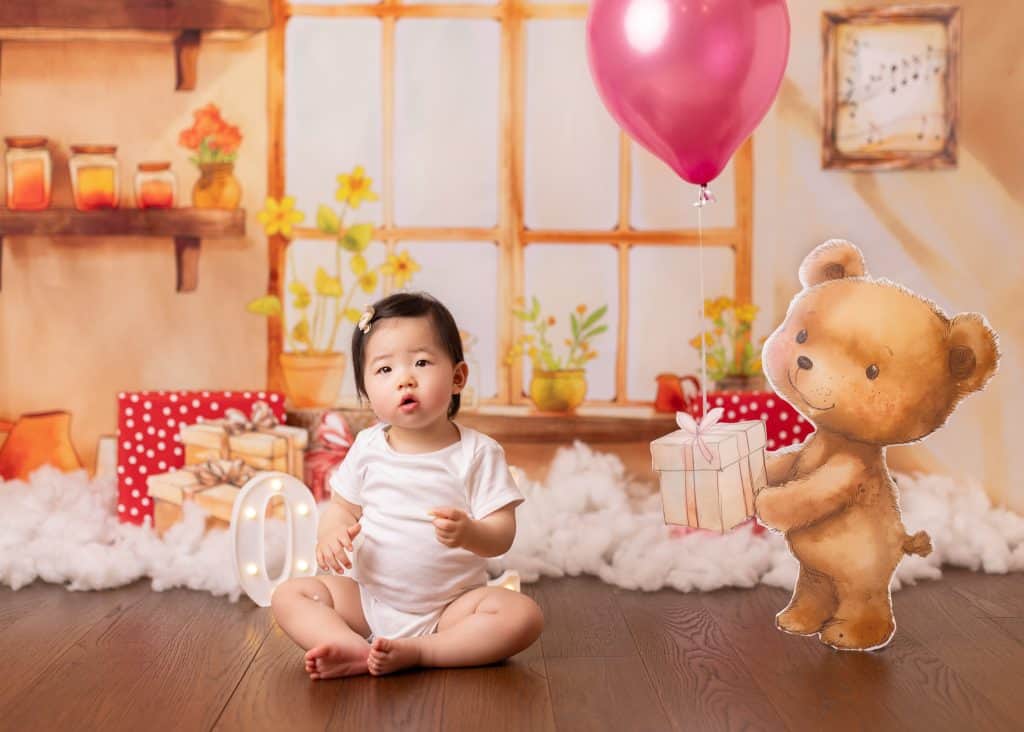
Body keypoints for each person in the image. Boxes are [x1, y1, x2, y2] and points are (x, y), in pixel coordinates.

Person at [271, 292, 544, 679]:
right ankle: (347, 646)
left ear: (457, 378)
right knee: (290, 594)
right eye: (384, 370)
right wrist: (331, 534)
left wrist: (470, 532)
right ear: (366, 393)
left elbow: (501, 535)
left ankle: (423, 651)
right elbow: (342, 508)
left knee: (523, 615)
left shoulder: (478, 453)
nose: (405, 378)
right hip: (368, 599)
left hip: (452, 608)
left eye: (421, 361)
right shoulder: (367, 447)